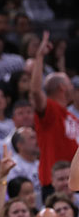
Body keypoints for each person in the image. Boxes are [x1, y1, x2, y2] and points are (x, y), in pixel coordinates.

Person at [31, 31, 78, 193]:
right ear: (62, 88)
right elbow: (36, 93)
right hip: (55, 184)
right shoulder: (50, 110)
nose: (73, 88)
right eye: (70, 85)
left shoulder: (70, 115)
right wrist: (39, 58)